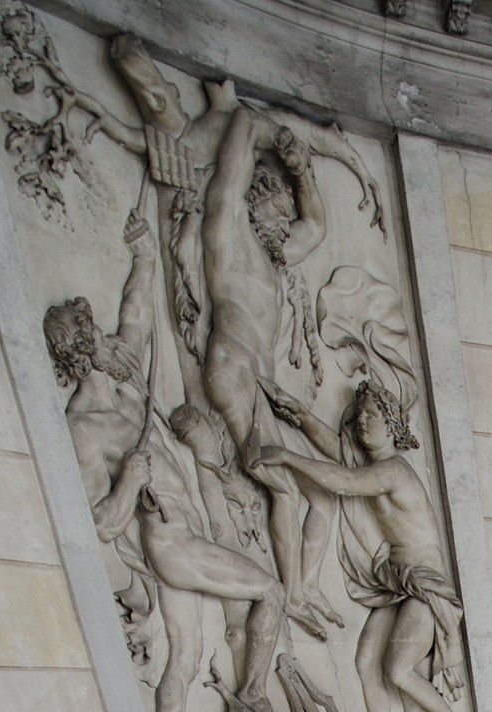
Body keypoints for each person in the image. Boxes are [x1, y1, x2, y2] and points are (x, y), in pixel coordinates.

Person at [44, 209, 282, 712]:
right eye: (90, 334)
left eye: (96, 328)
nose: (106, 338)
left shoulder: (125, 381)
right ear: (78, 351)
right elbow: (101, 523)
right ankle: (254, 692)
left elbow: (137, 314)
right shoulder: (84, 428)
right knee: (270, 589)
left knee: (187, 653)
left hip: (184, 533)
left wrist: (145, 252)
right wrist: (130, 478)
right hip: (171, 541)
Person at [198, 99, 381, 634]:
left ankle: (305, 587)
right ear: (254, 206)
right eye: (279, 213)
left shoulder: (272, 254)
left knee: (322, 495)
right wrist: (254, 126)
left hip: (260, 385)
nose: (289, 227)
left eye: (288, 218)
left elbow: (316, 226)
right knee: (284, 488)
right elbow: (239, 136)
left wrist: (301, 171)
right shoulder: (228, 237)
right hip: (231, 370)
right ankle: (291, 597)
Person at [259, 380, 482, 712]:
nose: (362, 421)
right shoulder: (371, 464)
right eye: (359, 414)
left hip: (425, 585)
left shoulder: (393, 471)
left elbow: (345, 482)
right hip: (396, 583)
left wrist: (287, 457)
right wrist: (302, 415)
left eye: (372, 415)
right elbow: (338, 451)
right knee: (365, 660)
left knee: (398, 669)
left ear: (392, 425)